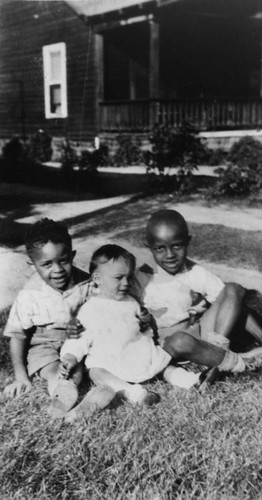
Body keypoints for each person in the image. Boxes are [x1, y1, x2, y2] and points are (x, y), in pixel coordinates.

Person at [59, 244, 258, 423]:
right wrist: (69, 356)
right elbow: (78, 340)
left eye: (128, 277)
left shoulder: (131, 302)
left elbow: (141, 329)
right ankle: (133, 393)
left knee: (163, 365)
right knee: (96, 371)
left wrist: (145, 322)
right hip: (110, 360)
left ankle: (192, 381)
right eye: (118, 278)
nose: (126, 283)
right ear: (97, 279)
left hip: (139, 353)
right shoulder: (89, 309)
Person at [133, 209, 262, 384]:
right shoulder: (140, 278)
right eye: (160, 249)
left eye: (177, 246)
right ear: (149, 247)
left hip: (201, 333)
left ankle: (218, 353)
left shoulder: (193, 271)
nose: (170, 255)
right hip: (169, 344)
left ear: (187, 242)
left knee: (234, 290)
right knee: (180, 340)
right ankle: (225, 360)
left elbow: (230, 299)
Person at [3, 218, 94, 417]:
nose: (58, 270)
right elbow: (18, 336)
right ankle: (62, 394)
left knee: (83, 366)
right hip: (44, 345)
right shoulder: (30, 294)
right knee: (57, 370)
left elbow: (100, 314)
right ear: (33, 265)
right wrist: (21, 376)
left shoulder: (86, 284)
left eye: (63, 261)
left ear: (72, 256)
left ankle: (86, 395)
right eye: (47, 264)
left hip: (78, 342)